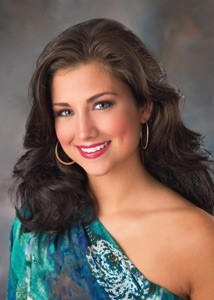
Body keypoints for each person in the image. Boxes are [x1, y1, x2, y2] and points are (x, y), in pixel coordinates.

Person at [7, 18, 214, 300]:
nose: (84, 131)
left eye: (101, 105)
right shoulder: (37, 223)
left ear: (144, 107)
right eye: (65, 112)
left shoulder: (200, 240)